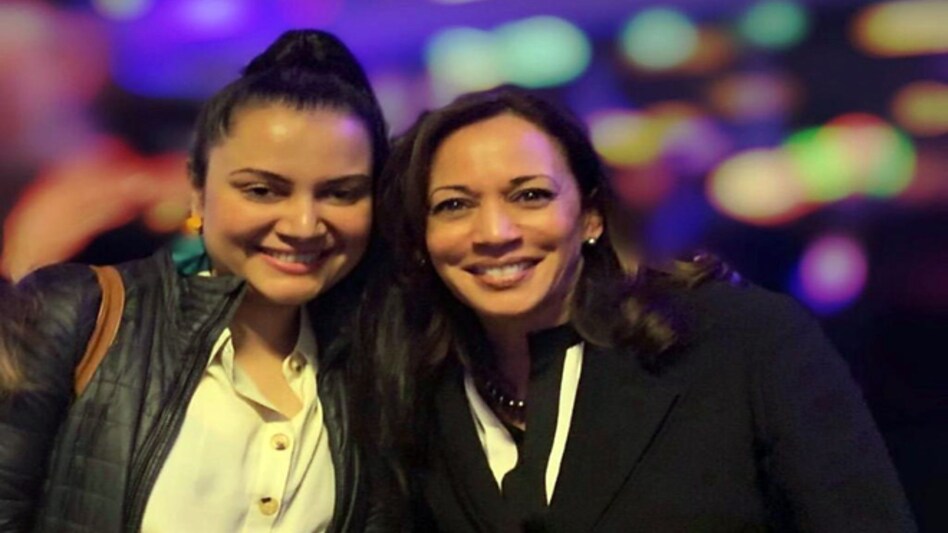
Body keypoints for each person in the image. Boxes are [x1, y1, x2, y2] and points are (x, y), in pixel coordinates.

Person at [368, 86, 916, 531]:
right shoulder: (412, 395)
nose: (495, 233)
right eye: (454, 205)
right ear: (420, 239)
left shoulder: (741, 342)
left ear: (591, 217)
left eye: (530, 195)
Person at [0, 29, 396, 532]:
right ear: (195, 190)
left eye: (340, 193)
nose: (302, 225)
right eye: (262, 190)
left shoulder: (378, 370)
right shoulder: (79, 312)